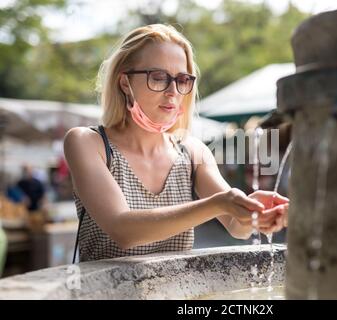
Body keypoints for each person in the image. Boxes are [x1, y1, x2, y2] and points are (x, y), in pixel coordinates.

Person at [63, 24, 289, 262]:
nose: (173, 91)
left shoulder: (193, 151)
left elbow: (236, 227)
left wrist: (255, 213)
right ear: (125, 83)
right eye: (158, 78)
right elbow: (123, 230)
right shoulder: (88, 143)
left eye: (182, 79)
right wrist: (221, 203)